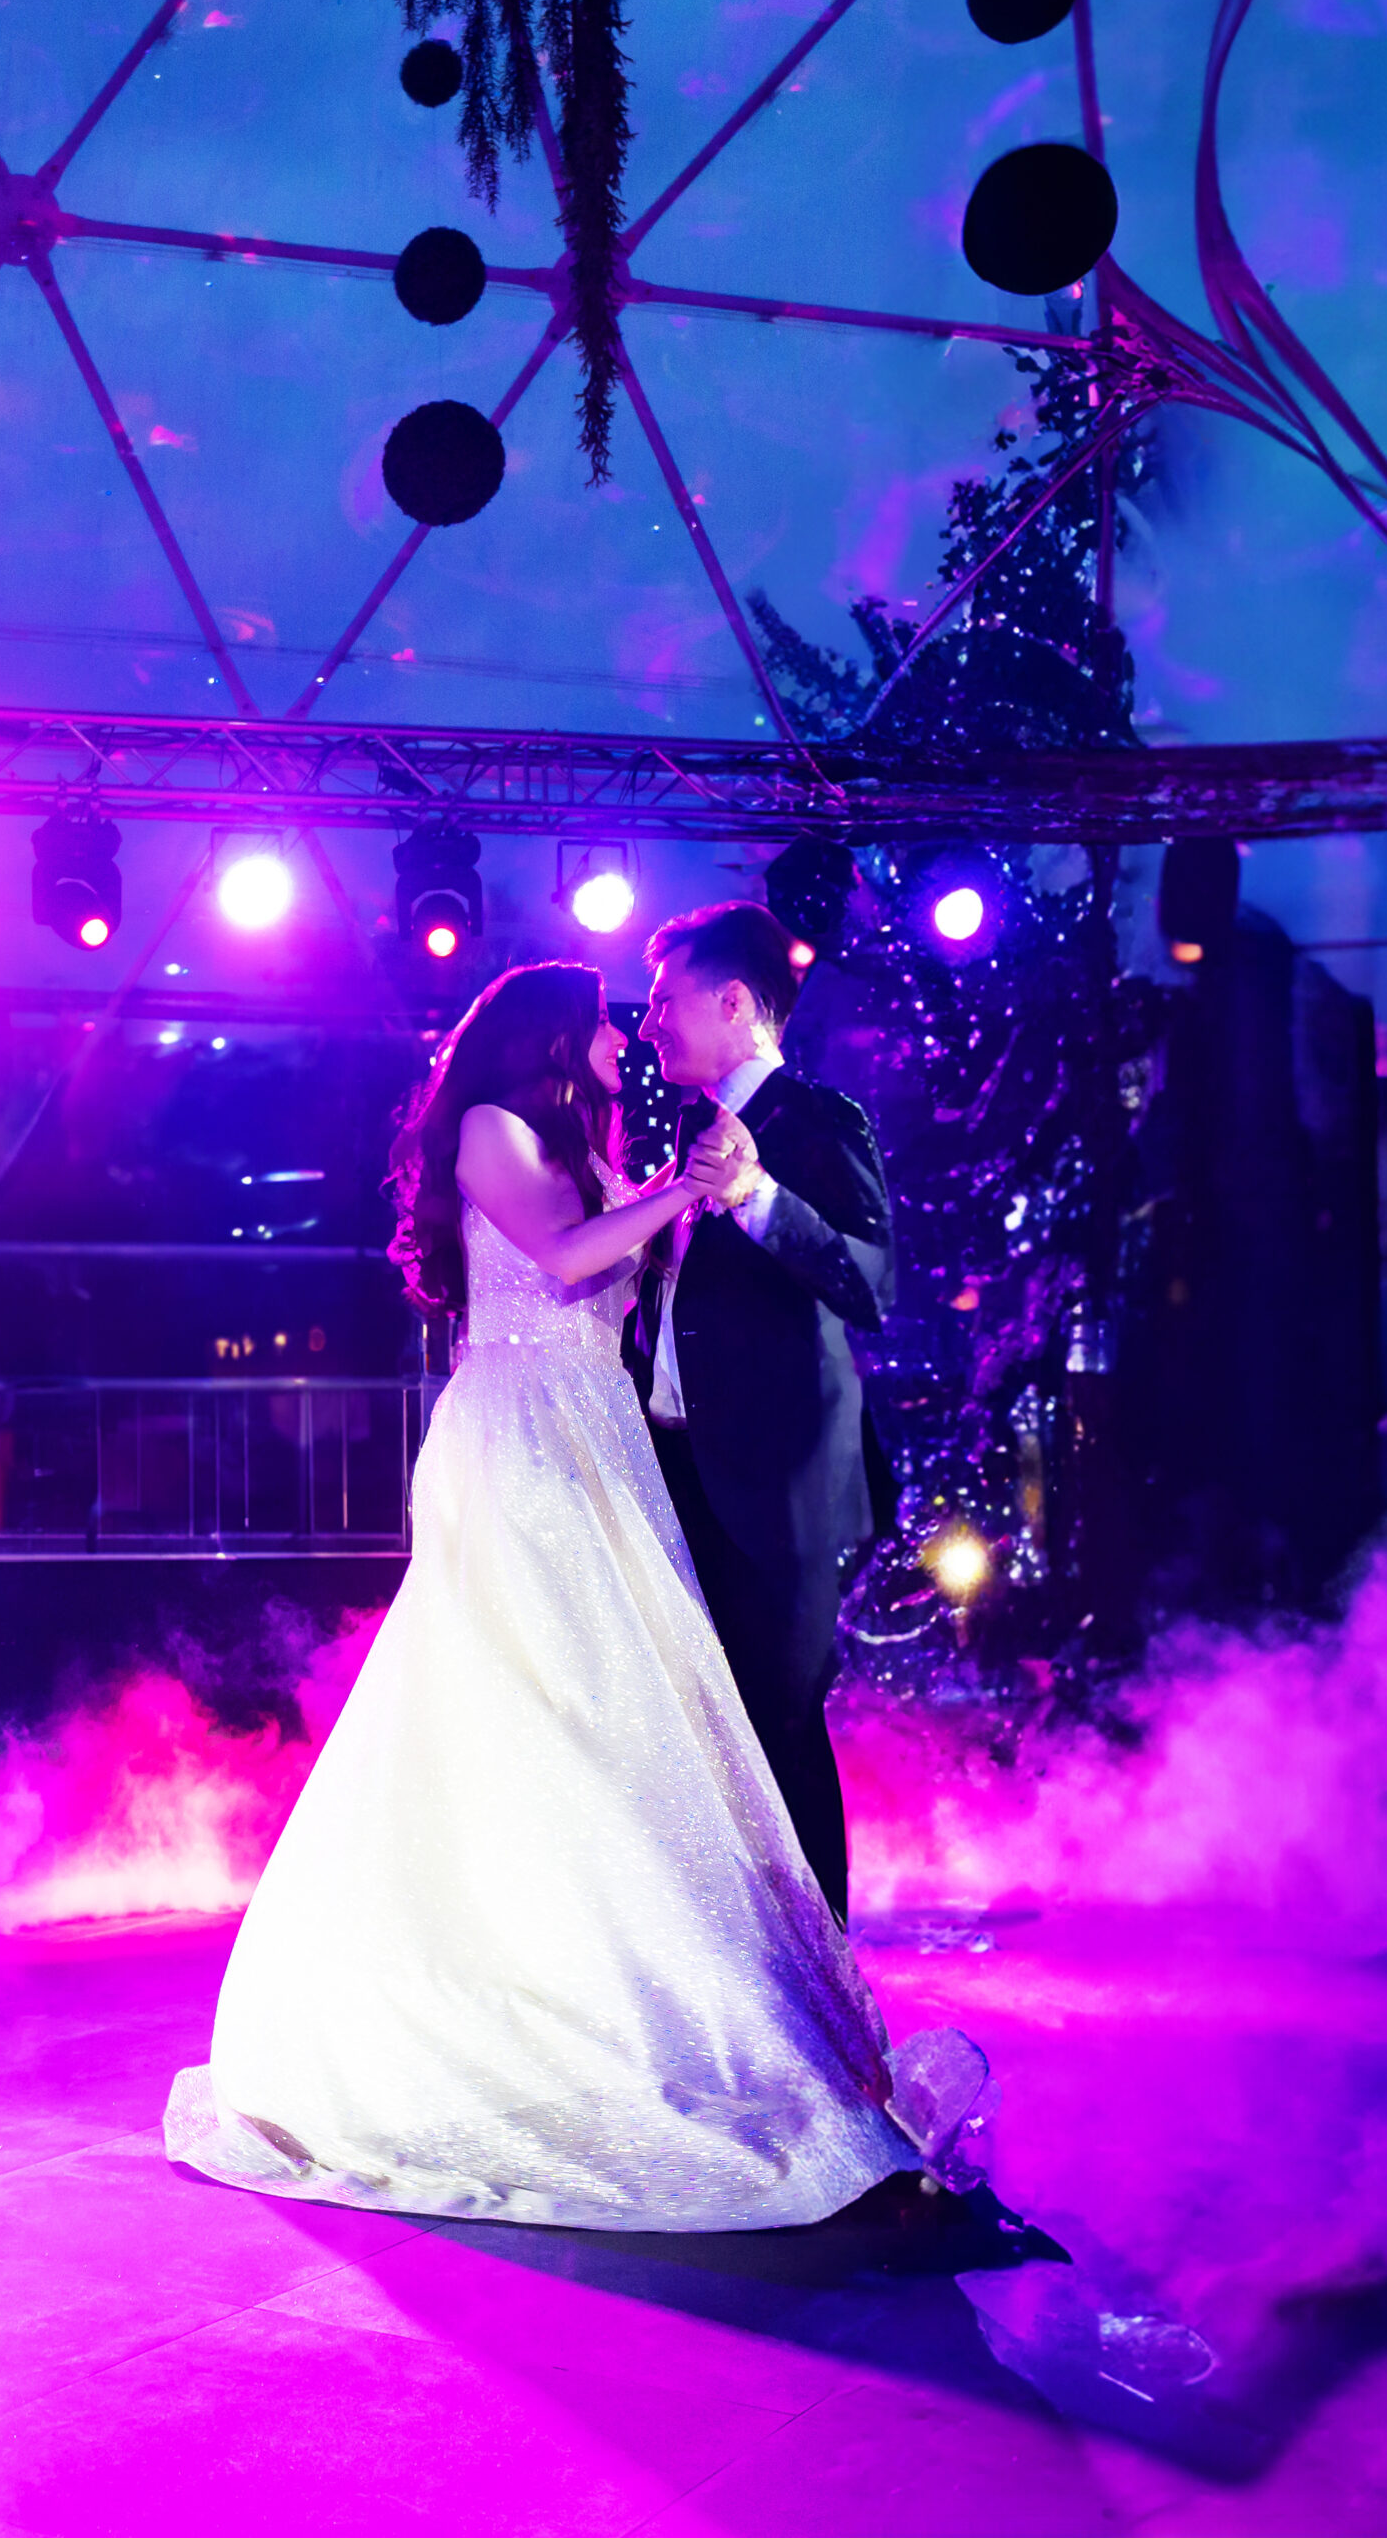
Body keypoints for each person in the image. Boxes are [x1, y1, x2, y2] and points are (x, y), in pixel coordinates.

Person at [164, 961, 939, 2231]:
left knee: (629, 1715)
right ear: (546, 1037)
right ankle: (512, 2001)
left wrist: (686, 1194)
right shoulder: (491, 1127)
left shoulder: (592, 1135)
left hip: (597, 1434)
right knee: (533, 1693)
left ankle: (681, 1989)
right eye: (600, 1020)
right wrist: (685, 1193)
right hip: (526, 1442)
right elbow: (570, 1256)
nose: (623, 1035)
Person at [629, 902, 895, 1925]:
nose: (649, 1022)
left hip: (779, 1483)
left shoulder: (818, 1122)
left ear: (733, 1002)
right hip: (678, 1475)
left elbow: (871, 1284)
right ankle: (733, 1958)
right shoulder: (679, 1132)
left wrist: (756, 1197)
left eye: (664, 1001)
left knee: (780, 1722)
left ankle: (821, 1980)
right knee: (701, 1734)